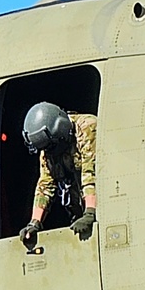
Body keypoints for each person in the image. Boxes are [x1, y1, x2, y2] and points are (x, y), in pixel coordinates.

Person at [19, 102, 97, 250]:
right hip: (79, 209)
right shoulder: (48, 148)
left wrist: (90, 212)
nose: (46, 154)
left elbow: (90, 172)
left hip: (99, 206)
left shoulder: (87, 128)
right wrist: (34, 223)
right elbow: (45, 185)